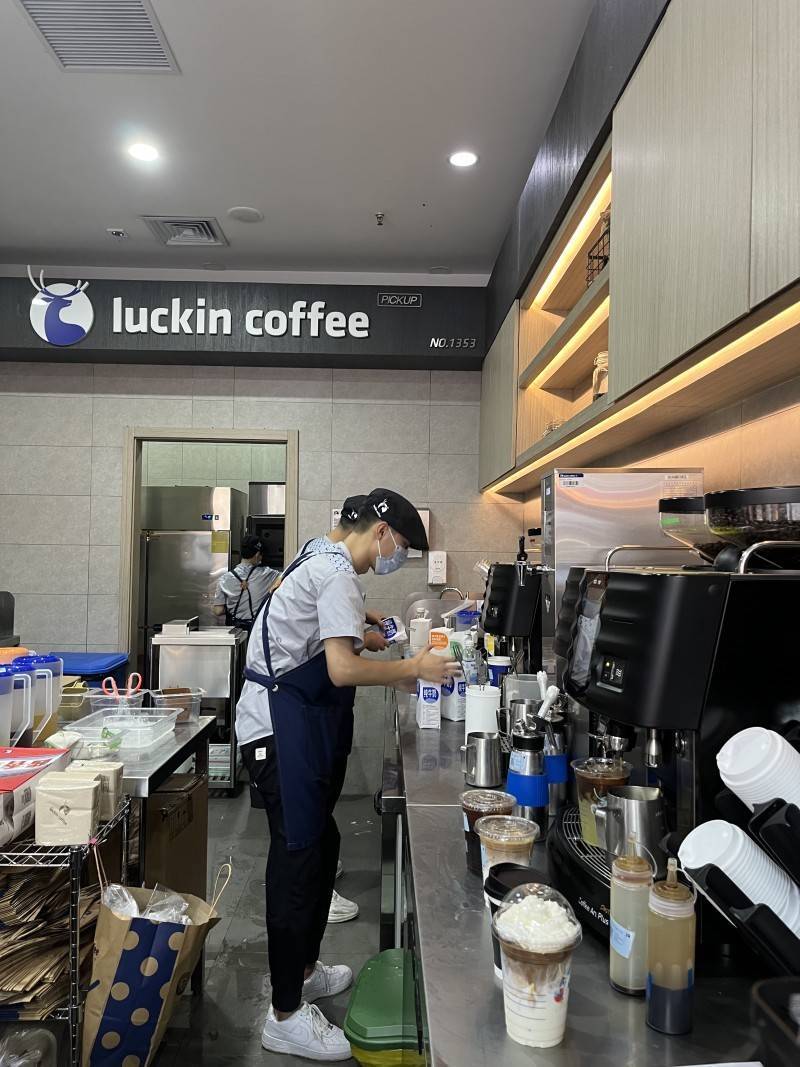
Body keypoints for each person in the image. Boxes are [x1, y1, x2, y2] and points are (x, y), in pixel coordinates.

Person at [238, 489, 455, 1061]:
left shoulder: (319, 552)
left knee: (321, 845)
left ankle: (304, 971)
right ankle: (284, 1014)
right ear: (380, 533)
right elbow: (339, 668)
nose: (397, 557)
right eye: (400, 546)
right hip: (279, 731)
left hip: (286, 723)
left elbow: (307, 622)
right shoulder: (336, 574)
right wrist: (411, 667)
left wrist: (363, 622)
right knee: (298, 861)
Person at [212, 535, 279, 632]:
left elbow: (218, 611)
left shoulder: (224, 579)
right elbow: (286, 576)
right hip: (257, 630)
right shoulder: (268, 574)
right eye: (261, 555)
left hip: (235, 632)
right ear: (257, 555)